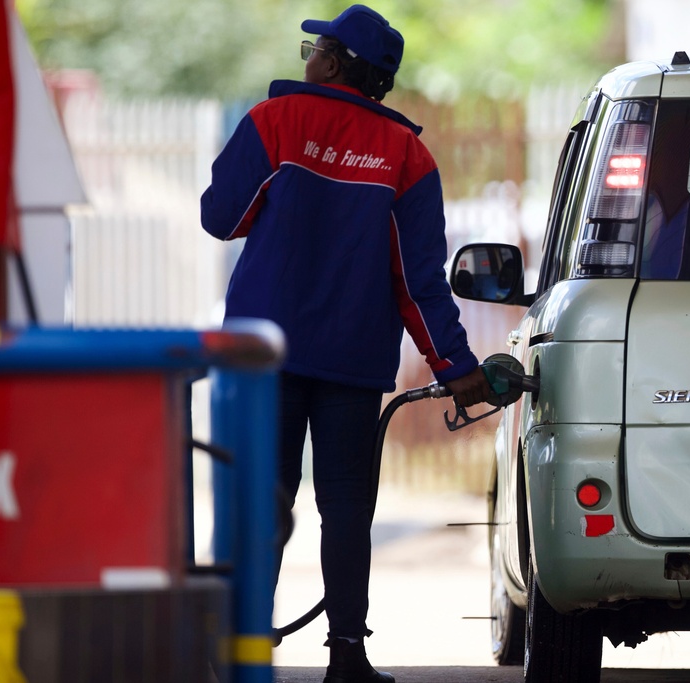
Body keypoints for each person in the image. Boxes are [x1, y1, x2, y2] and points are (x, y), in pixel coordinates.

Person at [200, 5, 491, 682]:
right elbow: (419, 279)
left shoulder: (273, 123)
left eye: (316, 47)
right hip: (352, 360)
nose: (308, 57)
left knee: (263, 498)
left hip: (263, 354)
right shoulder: (408, 157)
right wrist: (456, 365)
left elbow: (222, 217)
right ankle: (348, 656)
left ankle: (243, 652)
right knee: (347, 506)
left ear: (334, 64)